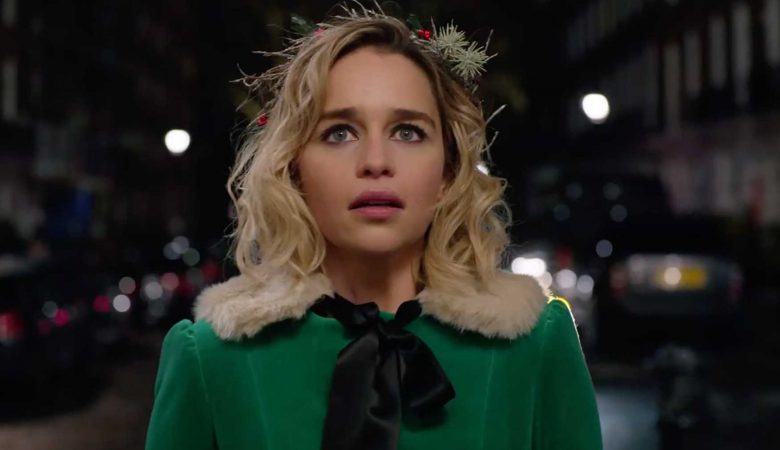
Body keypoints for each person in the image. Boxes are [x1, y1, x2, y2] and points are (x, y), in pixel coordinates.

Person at [145, 4, 602, 449]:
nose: (376, 162)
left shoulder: (535, 347)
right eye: (339, 132)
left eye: (408, 132)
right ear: (294, 170)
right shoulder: (212, 359)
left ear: (447, 172)